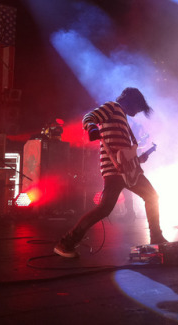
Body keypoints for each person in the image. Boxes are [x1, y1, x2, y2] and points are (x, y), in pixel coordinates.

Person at [54, 87, 167, 258]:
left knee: (150, 197)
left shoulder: (123, 119)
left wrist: (138, 159)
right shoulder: (112, 107)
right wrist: (92, 127)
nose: (137, 112)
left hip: (127, 171)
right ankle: (65, 243)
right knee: (105, 209)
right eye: (137, 107)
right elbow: (89, 117)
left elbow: (124, 153)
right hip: (114, 170)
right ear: (130, 101)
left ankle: (157, 238)